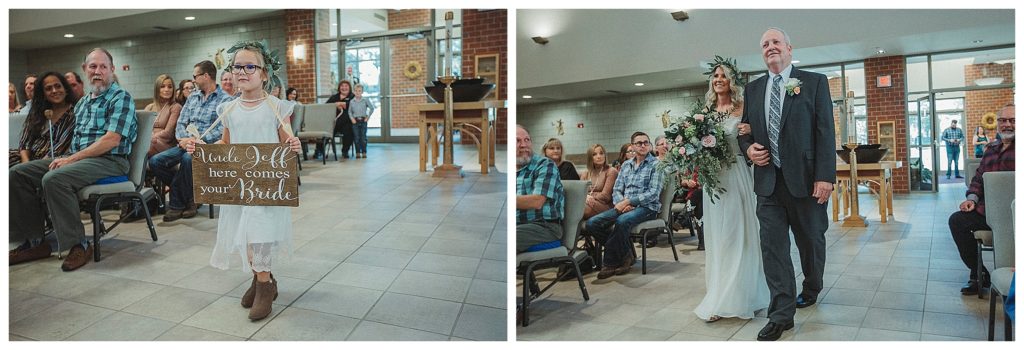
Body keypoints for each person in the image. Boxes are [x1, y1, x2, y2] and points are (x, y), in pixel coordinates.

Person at [185, 40, 300, 321]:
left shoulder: (276, 107)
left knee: (258, 238)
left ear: (264, 74)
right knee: (246, 238)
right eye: (237, 67)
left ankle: (264, 286)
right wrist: (204, 150)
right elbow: (226, 144)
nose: (242, 72)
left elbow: (285, 143)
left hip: (266, 185)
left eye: (250, 67)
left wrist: (292, 145)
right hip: (239, 185)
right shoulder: (228, 109)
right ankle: (263, 280)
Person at [737, 28, 836, 341]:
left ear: (789, 49)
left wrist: (825, 177)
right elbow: (744, 131)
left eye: (776, 42)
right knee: (773, 249)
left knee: (811, 240)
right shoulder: (753, 89)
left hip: (806, 181)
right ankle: (781, 314)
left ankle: (812, 286)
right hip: (768, 183)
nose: (770, 47)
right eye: (765, 44)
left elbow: (825, 131)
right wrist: (748, 149)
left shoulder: (814, 82)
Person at [9, 48, 138, 271]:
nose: (97, 71)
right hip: (80, 160)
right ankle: (35, 242)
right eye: (93, 66)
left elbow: (112, 140)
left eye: (103, 67)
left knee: (54, 178)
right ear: (85, 69)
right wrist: (63, 158)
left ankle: (78, 244)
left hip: (110, 160)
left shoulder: (120, 97)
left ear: (112, 70)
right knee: (18, 173)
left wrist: (71, 159)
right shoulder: (83, 103)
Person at [691, 57, 770, 323]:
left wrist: (752, 128)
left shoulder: (743, 108)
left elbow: (758, 137)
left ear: (732, 80)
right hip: (714, 181)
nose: (718, 79)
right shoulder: (705, 112)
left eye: (723, 75)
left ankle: (745, 295)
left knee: (738, 235)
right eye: (715, 76)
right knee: (718, 237)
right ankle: (719, 296)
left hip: (736, 174)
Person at [149, 60, 234, 222]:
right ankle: (190, 197)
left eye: (195, 76)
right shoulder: (193, 97)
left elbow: (222, 129)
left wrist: (199, 140)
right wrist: (183, 139)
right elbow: (181, 122)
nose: (193, 80)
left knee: (188, 159)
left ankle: (176, 205)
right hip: (187, 143)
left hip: (209, 146)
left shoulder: (225, 100)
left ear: (206, 76)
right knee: (156, 161)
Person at [948, 103, 1014, 296]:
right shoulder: (991, 149)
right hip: (987, 212)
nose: (1007, 124)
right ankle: (979, 275)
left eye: (1013, 120)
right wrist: (972, 199)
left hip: (1014, 215)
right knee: (957, 220)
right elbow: (978, 179)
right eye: (1003, 120)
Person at [584, 131, 663, 279]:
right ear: (633, 146)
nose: (643, 145)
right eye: (639, 143)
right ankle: (625, 254)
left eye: (646, 142)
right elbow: (617, 190)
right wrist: (622, 203)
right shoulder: (626, 165)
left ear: (650, 145)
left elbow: (653, 193)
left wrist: (629, 202)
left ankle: (610, 262)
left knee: (622, 221)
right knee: (592, 223)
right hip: (624, 206)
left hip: (647, 207)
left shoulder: (656, 165)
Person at [9, 72, 77, 167]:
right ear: (43, 94)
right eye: (48, 88)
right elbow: (24, 143)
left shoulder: (74, 113)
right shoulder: (38, 112)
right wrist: (26, 163)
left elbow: (60, 147)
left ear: (65, 89)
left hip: (51, 161)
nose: (54, 91)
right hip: (27, 159)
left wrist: (30, 167)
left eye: (58, 86)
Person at [515, 125, 565, 253]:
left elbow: (537, 201)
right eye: (517, 140)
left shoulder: (545, 164)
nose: (523, 145)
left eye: (527, 140)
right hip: (520, 224)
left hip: (545, 226)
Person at [143, 74, 183, 157]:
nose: (166, 89)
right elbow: (143, 129)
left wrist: (150, 137)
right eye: (162, 86)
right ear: (157, 89)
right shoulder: (149, 107)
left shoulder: (176, 107)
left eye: (170, 87)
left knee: (148, 143)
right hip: (150, 141)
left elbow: (168, 133)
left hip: (167, 144)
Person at [581, 144, 618, 219]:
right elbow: (580, 193)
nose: (599, 156)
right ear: (590, 158)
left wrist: (588, 197)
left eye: (601, 153)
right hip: (588, 203)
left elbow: (606, 196)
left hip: (606, 206)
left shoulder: (611, 171)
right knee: (573, 207)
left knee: (580, 209)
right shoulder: (586, 173)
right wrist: (586, 197)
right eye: (594, 154)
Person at [325, 80, 355, 159]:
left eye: (346, 86)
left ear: (349, 88)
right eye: (342, 86)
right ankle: (319, 150)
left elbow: (354, 105)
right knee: (326, 130)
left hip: (347, 122)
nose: (344, 88)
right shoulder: (334, 97)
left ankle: (345, 151)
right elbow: (326, 106)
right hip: (334, 122)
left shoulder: (352, 96)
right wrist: (335, 105)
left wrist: (342, 103)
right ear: (339, 88)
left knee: (349, 131)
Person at [348, 83, 375, 159]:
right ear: (354, 92)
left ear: (362, 92)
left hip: (363, 121)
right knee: (356, 137)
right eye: (356, 91)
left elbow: (372, 108)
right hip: (355, 121)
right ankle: (357, 152)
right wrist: (352, 119)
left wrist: (367, 117)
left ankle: (364, 152)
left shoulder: (365, 100)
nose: (357, 92)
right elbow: (349, 112)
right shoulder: (351, 101)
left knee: (363, 137)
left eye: (359, 91)